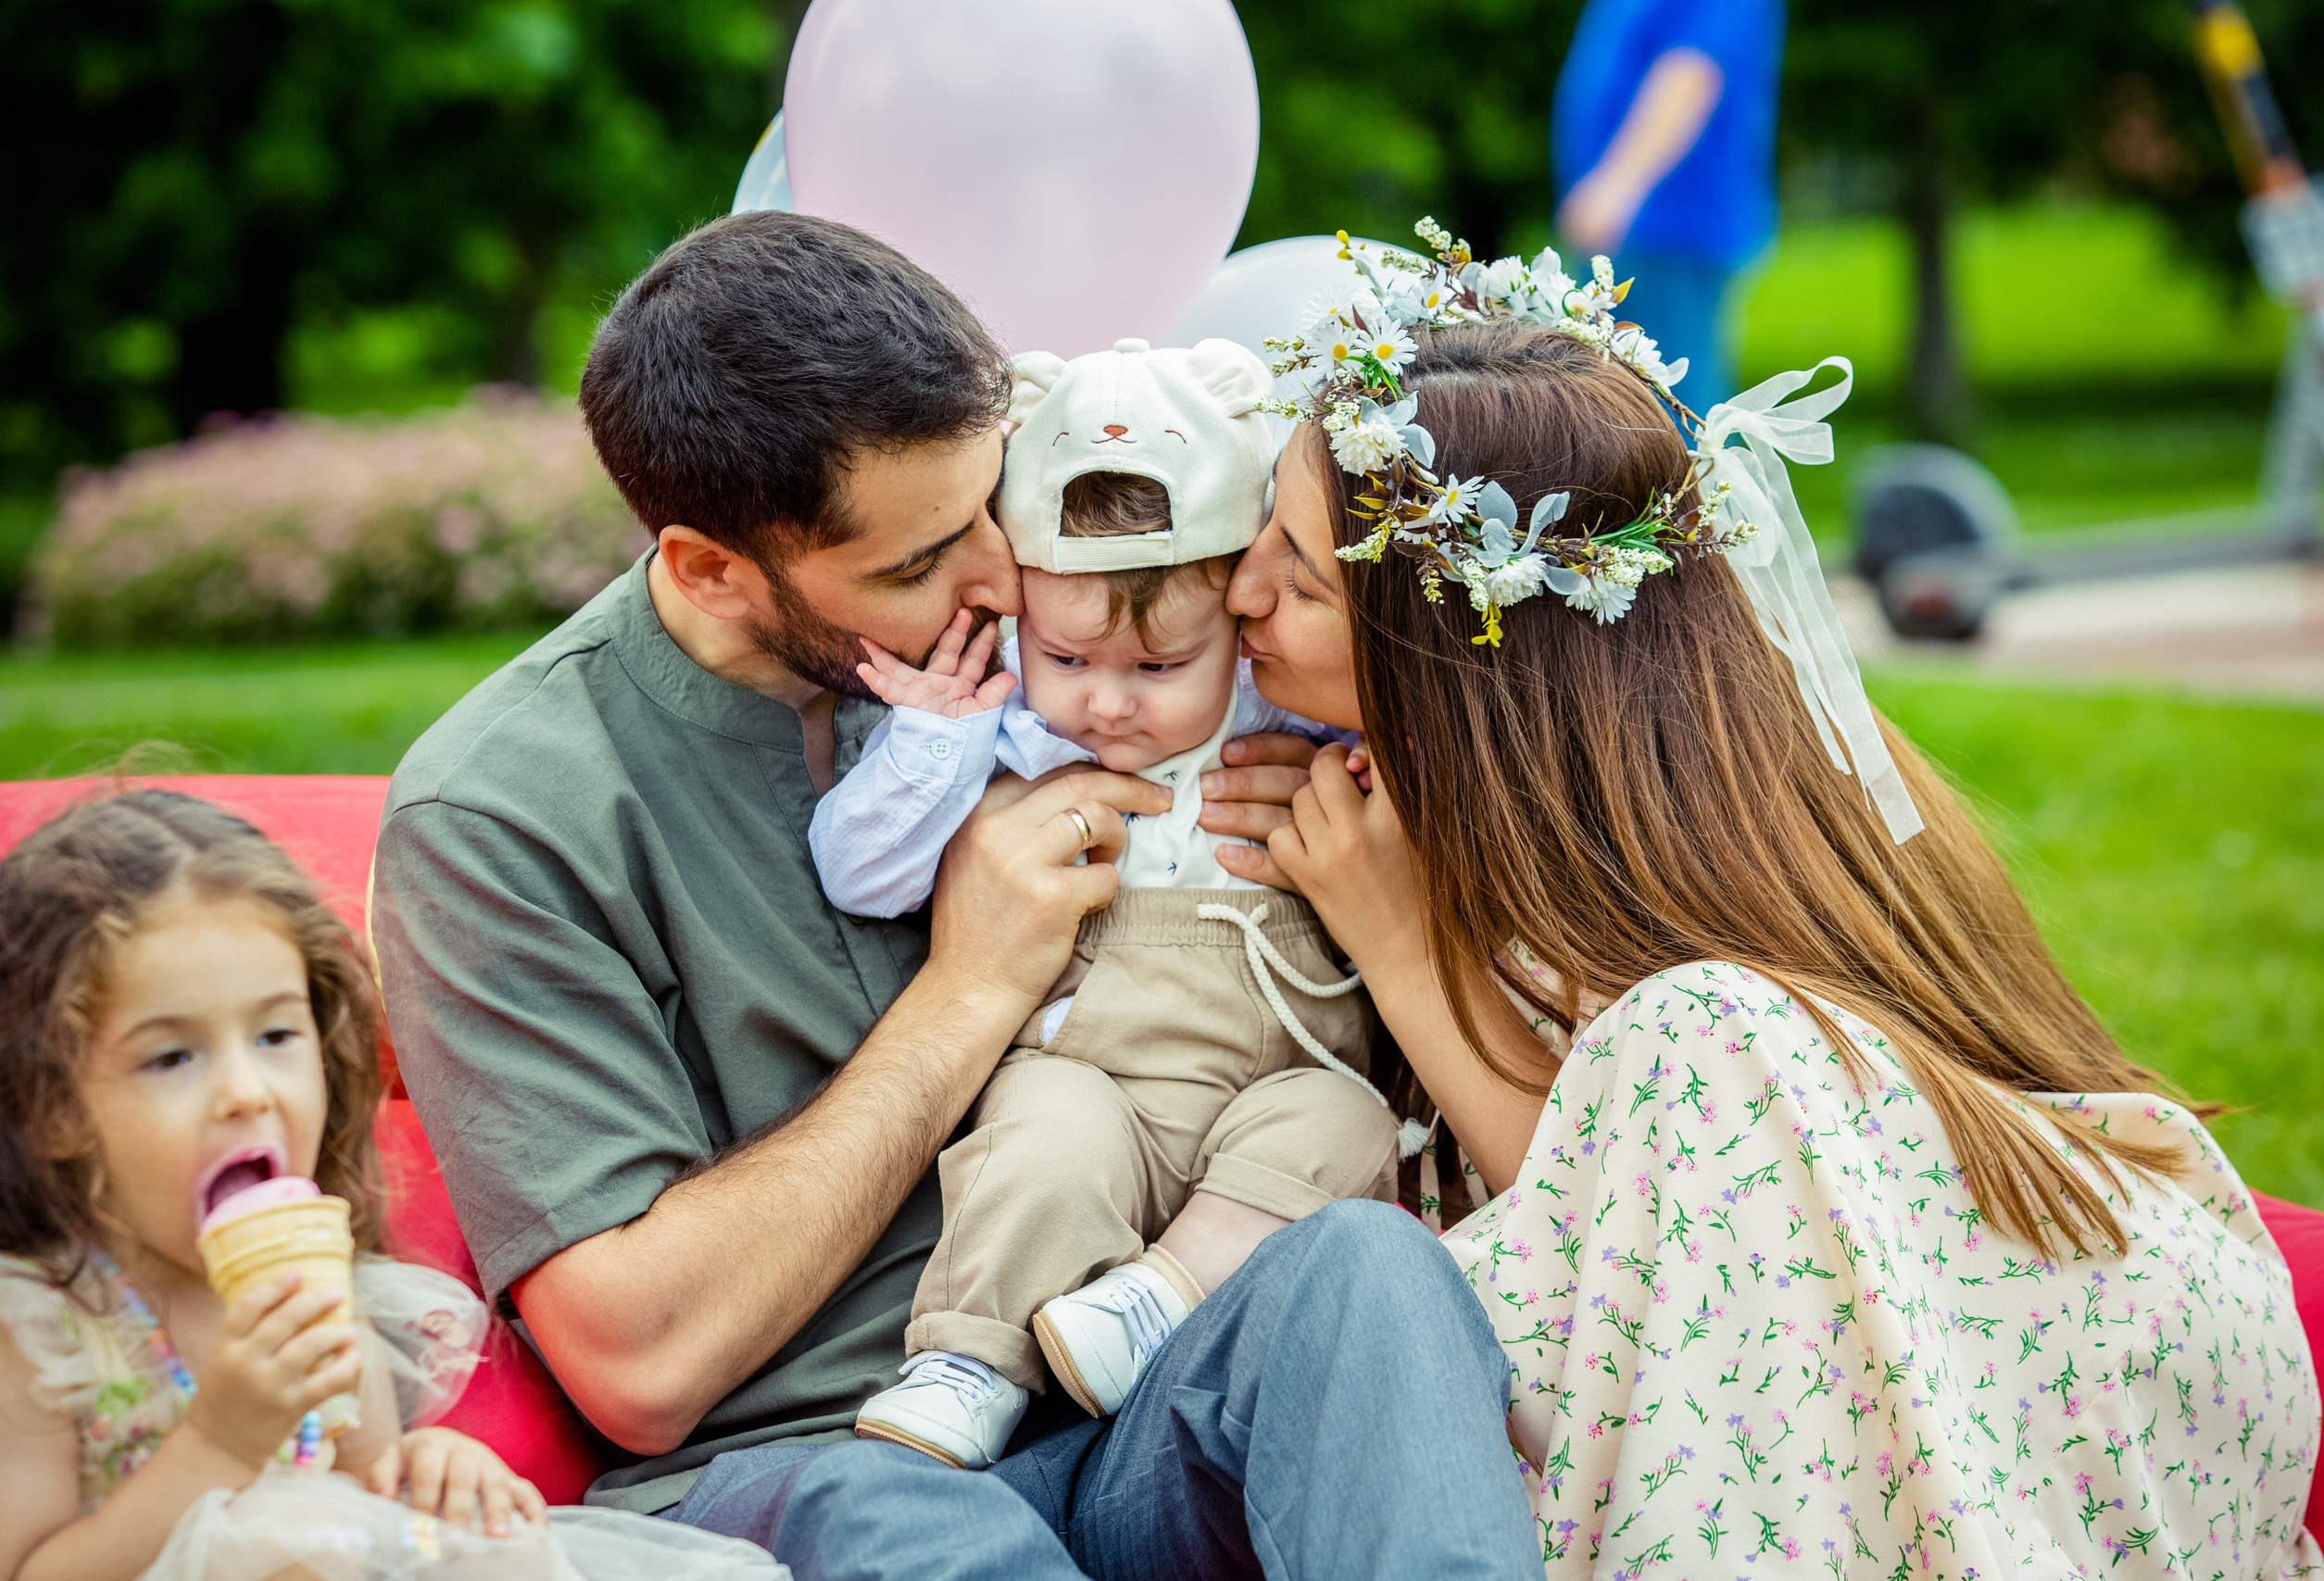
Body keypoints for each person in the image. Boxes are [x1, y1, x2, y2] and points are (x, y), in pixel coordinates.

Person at [371, 210, 1543, 1578]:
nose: (1002, 576)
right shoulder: (507, 808)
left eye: (992, 498)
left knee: (1372, 1274)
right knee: (904, 1510)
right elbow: (643, 1358)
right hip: (820, 1458)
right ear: (710, 568)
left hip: (1126, 1395)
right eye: (917, 561)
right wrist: (972, 984)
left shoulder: (1076, 669)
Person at [1213, 234, 2324, 1575]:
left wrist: (1395, 940)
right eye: (1262, 534)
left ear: (1455, 651)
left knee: (1697, 1030)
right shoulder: (1568, 770)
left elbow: (1635, 1236)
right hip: (1902, 1310)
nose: (1241, 592)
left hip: (2026, 1331)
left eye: (1303, 573)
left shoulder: (1682, 881)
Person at [816, 339, 1407, 1472]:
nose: (1107, 703)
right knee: (1043, 1135)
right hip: (1093, 1074)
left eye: (1157, 667)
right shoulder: (1003, 729)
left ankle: (1157, 1301)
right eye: (1067, 655)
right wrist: (936, 741)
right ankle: (969, 1361)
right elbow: (863, 873)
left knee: (1348, 1132)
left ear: (1237, 626)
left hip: (1273, 1090)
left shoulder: (1282, 716)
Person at [0, 789, 783, 1581]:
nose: (247, 1090)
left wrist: (427, 1469)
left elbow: (361, 1494)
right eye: (172, 1055)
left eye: (275, 1034)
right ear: (54, 1105)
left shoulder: (323, 1292)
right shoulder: (40, 1332)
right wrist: (219, 1444)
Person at [1550, 0, 1783, 406]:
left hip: (1664, 229)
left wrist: (1616, 187)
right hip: (1641, 229)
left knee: (1667, 413)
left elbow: (1694, 70)